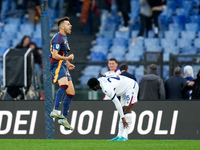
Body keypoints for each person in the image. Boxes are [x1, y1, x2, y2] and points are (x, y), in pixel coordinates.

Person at [87, 73, 139, 141]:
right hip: (123, 88)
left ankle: (125, 136)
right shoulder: (100, 80)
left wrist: (123, 117)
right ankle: (119, 135)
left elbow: (117, 103)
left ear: (95, 87)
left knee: (127, 110)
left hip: (131, 86)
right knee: (123, 111)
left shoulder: (106, 88)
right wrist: (122, 116)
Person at [49, 17, 75, 130]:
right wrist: (67, 58)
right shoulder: (58, 37)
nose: (70, 26)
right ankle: (55, 110)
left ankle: (63, 118)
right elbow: (54, 55)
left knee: (71, 92)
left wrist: (67, 62)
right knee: (64, 85)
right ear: (61, 27)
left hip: (63, 65)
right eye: (68, 24)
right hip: (57, 64)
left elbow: (62, 52)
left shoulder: (64, 37)